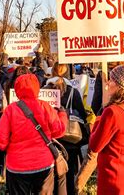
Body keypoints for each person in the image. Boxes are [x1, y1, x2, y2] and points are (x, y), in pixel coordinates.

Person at [0, 73, 68, 194]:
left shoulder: (11, 110)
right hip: (44, 164)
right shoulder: (45, 106)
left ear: (17, 89)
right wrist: (62, 115)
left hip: (17, 166)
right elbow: (59, 131)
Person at [88, 64, 124, 195]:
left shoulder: (112, 112)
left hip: (114, 176)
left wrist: (99, 117)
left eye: (111, 80)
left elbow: (94, 146)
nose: (108, 83)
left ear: (120, 86)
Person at [45, 63, 91, 195]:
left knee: (51, 171)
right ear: (67, 74)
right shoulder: (73, 91)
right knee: (69, 172)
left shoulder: (45, 91)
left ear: (52, 72)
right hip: (71, 138)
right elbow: (82, 115)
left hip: (51, 138)